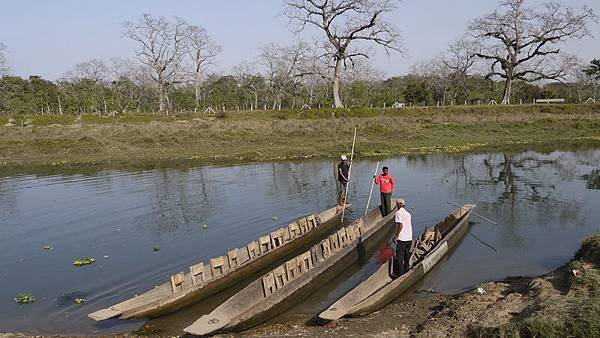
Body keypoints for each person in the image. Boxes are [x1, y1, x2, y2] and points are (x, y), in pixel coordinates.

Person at [392, 199, 412, 277]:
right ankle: (406, 270)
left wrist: (396, 236)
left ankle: (400, 274)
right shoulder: (408, 214)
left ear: (398, 205)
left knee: (400, 257)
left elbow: (400, 225)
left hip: (402, 239)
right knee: (407, 255)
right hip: (409, 238)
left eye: (396, 204)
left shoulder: (398, 213)